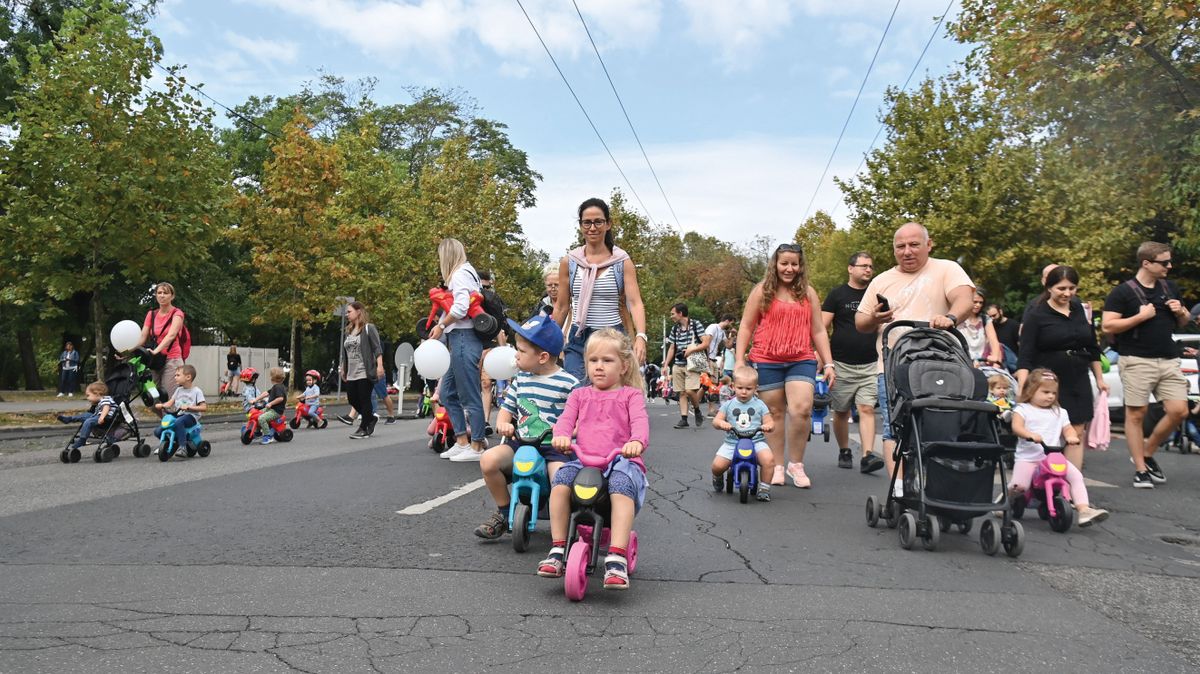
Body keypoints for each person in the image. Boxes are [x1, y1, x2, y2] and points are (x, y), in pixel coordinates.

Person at [855, 222, 976, 494]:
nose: (907, 251)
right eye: (901, 246)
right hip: (892, 366)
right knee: (893, 427)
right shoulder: (882, 280)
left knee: (942, 427)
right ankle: (899, 488)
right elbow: (860, 321)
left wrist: (950, 318)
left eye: (914, 245)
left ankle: (940, 484)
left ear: (928, 244)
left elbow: (964, 299)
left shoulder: (947, 269)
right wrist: (874, 317)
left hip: (941, 365)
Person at [538, 329, 648, 590]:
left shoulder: (630, 395)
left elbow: (641, 424)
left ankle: (617, 556)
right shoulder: (580, 395)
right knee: (561, 480)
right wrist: (562, 436)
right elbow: (565, 420)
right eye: (593, 360)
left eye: (607, 361)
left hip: (618, 460)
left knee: (621, 486)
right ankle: (557, 547)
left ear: (624, 366)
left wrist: (636, 442)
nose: (599, 367)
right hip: (583, 459)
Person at [735, 243, 836, 489]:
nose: (789, 268)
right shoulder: (762, 291)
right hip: (767, 358)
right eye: (784, 263)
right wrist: (739, 360)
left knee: (801, 409)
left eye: (794, 264)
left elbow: (818, 329)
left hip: (801, 357)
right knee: (775, 412)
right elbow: (747, 326)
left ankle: (796, 464)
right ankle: (778, 465)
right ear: (775, 265)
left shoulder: (808, 293)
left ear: (800, 266)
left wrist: (829, 362)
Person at [473, 314, 578, 537]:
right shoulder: (520, 379)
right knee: (488, 460)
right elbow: (507, 409)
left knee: (560, 478)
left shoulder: (569, 383)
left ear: (542, 357)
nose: (516, 355)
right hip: (521, 442)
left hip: (554, 448)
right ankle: (503, 512)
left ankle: (565, 524)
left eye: (521, 351)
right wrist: (503, 424)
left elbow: (580, 419)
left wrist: (567, 434)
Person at [1101, 241, 1191, 488]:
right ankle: (1140, 469)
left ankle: (1147, 452)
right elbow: (1107, 326)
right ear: (1146, 263)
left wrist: (1181, 312)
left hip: (1169, 358)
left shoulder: (1170, 288)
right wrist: (1140, 317)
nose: (1169, 266)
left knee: (1179, 411)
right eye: (1164, 262)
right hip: (1136, 359)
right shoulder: (1123, 292)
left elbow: (1183, 322)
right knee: (1136, 414)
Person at [1016, 265, 1108, 470]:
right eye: (1061, 288)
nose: (1067, 293)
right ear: (1049, 287)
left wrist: (1100, 379)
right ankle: (1044, 478)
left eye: (1072, 288)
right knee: (1051, 430)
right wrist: (1024, 387)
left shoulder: (1080, 310)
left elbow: (1093, 347)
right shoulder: (1037, 314)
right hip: (1048, 379)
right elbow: (1025, 355)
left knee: (1076, 431)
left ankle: (1071, 485)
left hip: (1079, 376)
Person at [552, 198, 649, 380]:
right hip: (579, 338)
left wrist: (641, 337)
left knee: (609, 397)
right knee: (576, 391)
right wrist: (548, 339)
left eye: (598, 222)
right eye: (587, 222)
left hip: (612, 337)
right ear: (580, 226)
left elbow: (635, 303)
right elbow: (561, 307)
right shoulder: (570, 262)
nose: (593, 228)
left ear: (608, 224)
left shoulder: (622, 262)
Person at [1010, 369, 1110, 527]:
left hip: (1051, 458)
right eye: (1045, 392)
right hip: (1029, 458)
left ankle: (1084, 510)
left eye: (1053, 393)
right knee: (1020, 486)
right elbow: (1016, 427)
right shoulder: (1023, 410)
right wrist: (1028, 434)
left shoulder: (1060, 412)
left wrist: (1071, 436)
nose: (1050, 396)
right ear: (1030, 390)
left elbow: (1068, 428)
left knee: (1076, 476)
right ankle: (1006, 501)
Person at [821, 251, 885, 474]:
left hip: (871, 363)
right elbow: (821, 327)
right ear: (850, 268)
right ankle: (845, 450)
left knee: (866, 408)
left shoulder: (877, 295)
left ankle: (867, 456)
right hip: (841, 363)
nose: (868, 269)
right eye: (863, 266)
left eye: (870, 266)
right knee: (841, 412)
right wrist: (822, 360)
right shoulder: (837, 295)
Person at [426, 238, 488, 460]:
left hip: (464, 336)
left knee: (469, 393)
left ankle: (477, 445)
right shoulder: (469, 272)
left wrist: (441, 326)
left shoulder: (459, 274)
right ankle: (462, 440)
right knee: (447, 392)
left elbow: (460, 306)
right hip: (461, 337)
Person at [710, 365, 776, 502]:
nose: (744, 392)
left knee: (768, 460)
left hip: (756, 441)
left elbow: (770, 421)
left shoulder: (760, 405)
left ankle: (764, 488)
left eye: (748, 388)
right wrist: (722, 423)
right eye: (740, 388)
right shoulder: (728, 405)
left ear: (755, 388)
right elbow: (716, 421)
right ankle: (717, 477)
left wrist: (768, 426)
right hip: (732, 442)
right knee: (717, 466)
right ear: (733, 386)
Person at [338, 301, 385, 439]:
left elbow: (377, 348)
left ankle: (363, 428)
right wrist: (343, 367)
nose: (347, 314)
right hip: (351, 372)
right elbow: (346, 352)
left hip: (365, 371)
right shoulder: (348, 331)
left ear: (358, 312)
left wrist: (380, 365)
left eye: (349, 311)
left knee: (364, 399)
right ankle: (370, 418)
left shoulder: (368, 329)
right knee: (352, 399)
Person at [137, 282, 186, 400]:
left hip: (172, 359)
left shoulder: (177, 313)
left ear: (172, 296)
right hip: (155, 361)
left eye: (165, 293)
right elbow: (143, 337)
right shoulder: (151, 314)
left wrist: (156, 351)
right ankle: (166, 418)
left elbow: (171, 335)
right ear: (156, 295)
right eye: (159, 293)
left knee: (167, 398)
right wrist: (126, 352)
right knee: (151, 398)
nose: (162, 295)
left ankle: (170, 418)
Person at [664, 303, 710, 429]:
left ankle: (697, 410)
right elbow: (672, 347)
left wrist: (691, 350)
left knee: (690, 391)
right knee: (682, 393)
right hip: (678, 364)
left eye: (673, 313)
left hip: (692, 364)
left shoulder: (696, 325)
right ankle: (684, 419)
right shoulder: (675, 329)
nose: (671, 316)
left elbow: (706, 342)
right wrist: (666, 364)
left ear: (680, 313)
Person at [478, 270, 509, 435]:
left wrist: (502, 350)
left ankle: (484, 421)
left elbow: (499, 328)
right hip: (472, 345)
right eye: (482, 287)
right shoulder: (468, 300)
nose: (485, 291)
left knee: (486, 384)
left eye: (487, 287)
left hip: (488, 346)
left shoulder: (492, 302)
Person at [153, 365, 207, 447]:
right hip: (179, 414)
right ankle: (169, 444)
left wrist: (189, 407)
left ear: (188, 377)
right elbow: (170, 403)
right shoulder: (178, 390)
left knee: (179, 422)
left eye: (178, 375)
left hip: (190, 416)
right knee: (159, 430)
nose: (175, 377)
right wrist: (162, 405)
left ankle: (182, 447)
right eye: (175, 375)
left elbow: (203, 407)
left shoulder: (196, 391)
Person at [56, 381, 114, 449]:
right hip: (97, 416)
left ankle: (82, 440)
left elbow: (106, 408)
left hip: (105, 418)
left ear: (97, 393)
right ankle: (69, 419)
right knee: (85, 415)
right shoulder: (100, 401)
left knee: (88, 421)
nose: (87, 398)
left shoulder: (106, 399)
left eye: (88, 395)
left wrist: (102, 417)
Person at [958, 291, 1003, 367]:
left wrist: (995, 356)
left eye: (980, 303)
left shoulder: (985, 319)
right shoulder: (959, 318)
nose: (978, 305)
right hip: (962, 362)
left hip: (982, 362)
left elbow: (993, 340)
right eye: (975, 302)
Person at [257, 367, 287, 445]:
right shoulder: (276, 386)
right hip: (271, 409)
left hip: (276, 411)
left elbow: (280, 398)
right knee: (257, 413)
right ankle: (258, 431)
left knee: (262, 418)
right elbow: (266, 393)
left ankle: (268, 436)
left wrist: (270, 403)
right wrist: (256, 399)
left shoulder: (278, 387)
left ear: (272, 377)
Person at [986, 304, 1020, 370]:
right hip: (997, 363)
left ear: (1000, 312)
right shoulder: (990, 327)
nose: (992, 318)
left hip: (1012, 362)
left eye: (994, 315)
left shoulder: (1013, 325)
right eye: (990, 317)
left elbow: (1021, 345)